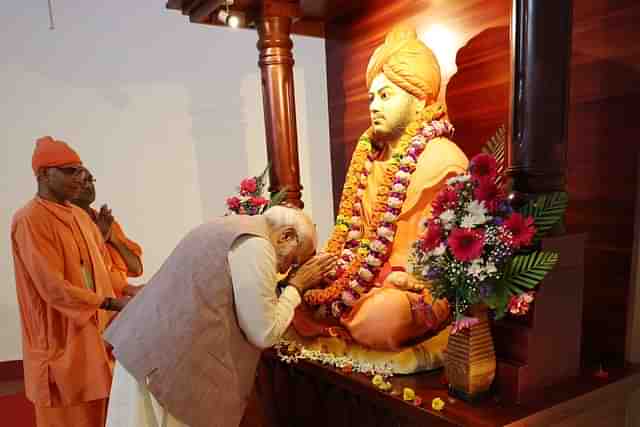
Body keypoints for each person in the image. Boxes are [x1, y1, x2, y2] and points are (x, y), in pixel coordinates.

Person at [294, 26, 469, 354]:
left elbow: (446, 261)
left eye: (386, 95)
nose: (374, 106)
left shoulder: (445, 162)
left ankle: (347, 317)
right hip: (360, 274)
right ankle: (340, 312)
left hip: (411, 288)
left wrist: (398, 278)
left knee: (381, 318)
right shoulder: (367, 158)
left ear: (419, 101)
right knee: (294, 293)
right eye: (371, 97)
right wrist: (334, 271)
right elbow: (353, 237)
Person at [104, 206, 336, 427]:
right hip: (165, 369)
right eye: (293, 261)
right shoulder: (256, 245)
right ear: (286, 235)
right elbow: (264, 333)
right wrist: (296, 287)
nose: (284, 269)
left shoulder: (230, 225)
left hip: (147, 355)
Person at [10, 136, 131, 427]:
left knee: (103, 415)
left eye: (80, 170)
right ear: (43, 175)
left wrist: (131, 292)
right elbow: (52, 286)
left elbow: (100, 271)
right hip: (61, 341)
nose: (80, 177)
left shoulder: (79, 216)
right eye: (69, 170)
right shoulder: (30, 219)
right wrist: (112, 303)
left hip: (94, 337)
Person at [71, 169, 144, 298]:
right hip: (97, 308)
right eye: (82, 182)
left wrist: (112, 238)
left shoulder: (106, 220)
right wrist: (99, 237)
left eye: (90, 180)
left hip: (123, 309)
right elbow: (84, 273)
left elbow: (136, 268)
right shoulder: (68, 225)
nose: (88, 185)